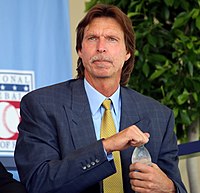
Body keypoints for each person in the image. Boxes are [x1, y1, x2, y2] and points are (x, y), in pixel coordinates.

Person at [14, 4, 187, 193]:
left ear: (128, 52)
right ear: (80, 50)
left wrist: (169, 188)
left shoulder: (159, 115)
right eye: (92, 38)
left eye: (112, 39)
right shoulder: (42, 105)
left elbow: (176, 186)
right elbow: (38, 182)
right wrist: (107, 146)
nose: (101, 48)